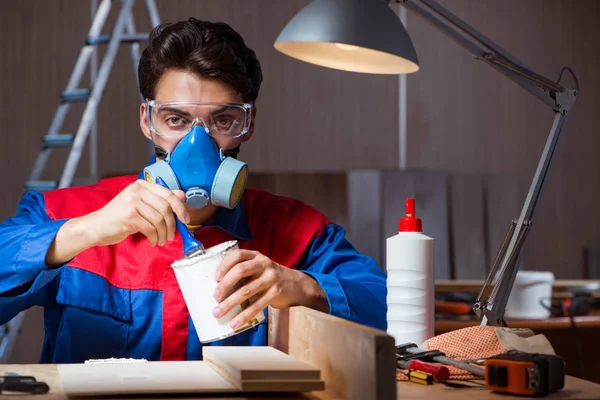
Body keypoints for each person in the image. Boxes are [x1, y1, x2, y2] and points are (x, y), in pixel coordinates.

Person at [0, 18, 387, 363]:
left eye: (222, 119)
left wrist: (302, 286)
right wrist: (84, 230)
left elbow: (390, 308)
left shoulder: (299, 231)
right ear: (147, 122)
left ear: (247, 125)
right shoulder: (63, 211)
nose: (196, 143)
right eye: (175, 119)